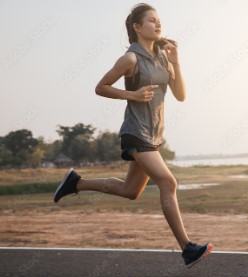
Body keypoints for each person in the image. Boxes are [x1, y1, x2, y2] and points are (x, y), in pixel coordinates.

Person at [53, 3, 213, 268]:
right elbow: (101, 87)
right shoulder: (130, 59)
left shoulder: (163, 56)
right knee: (168, 183)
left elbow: (181, 95)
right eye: (151, 21)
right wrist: (132, 95)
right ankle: (187, 248)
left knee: (130, 191)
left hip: (153, 135)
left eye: (159, 20)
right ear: (137, 27)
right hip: (135, 133)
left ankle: (76, 183)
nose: (158, 24)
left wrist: (176, 61)